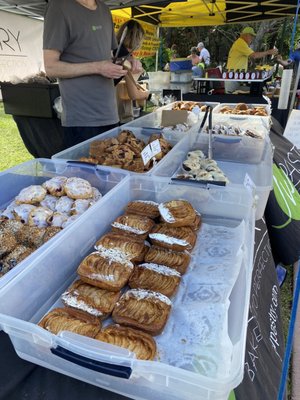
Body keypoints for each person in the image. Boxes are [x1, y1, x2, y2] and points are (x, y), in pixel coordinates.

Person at [43, 0, 138, 148]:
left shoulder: (104, 10)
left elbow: (113, 52)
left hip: (110, 115)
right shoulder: (59, 7)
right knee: (82, 170)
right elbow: (51, 67)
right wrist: (98, 67)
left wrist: (131, 60)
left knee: (114, 167)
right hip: (82, 120)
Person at [114, 20, 150, 123]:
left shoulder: (114, 49)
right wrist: (147, 94)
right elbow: (134, 94)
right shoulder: (124, 56)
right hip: (114, 111)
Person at [225, 26, 278, 93]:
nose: (252, 39)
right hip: (232, 78)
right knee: (231, 98)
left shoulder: (241, 43)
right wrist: (269, 52)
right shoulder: (240, 43)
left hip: (235, 77)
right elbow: (254, 55)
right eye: (252, 36)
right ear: (247, 35)